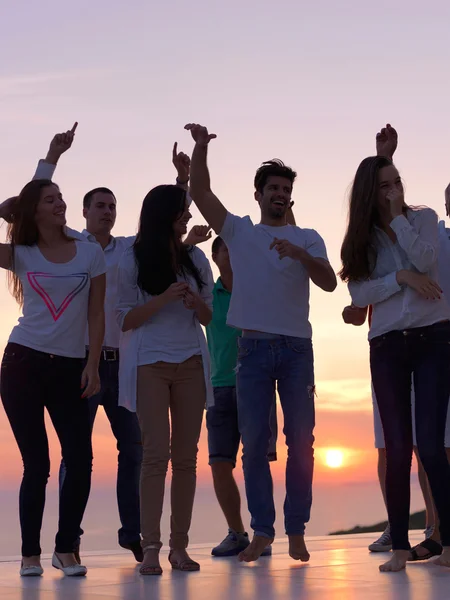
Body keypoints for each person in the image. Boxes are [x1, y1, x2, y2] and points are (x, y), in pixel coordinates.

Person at [32, 134, 198, 563]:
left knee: (137, 449)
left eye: (112, 206)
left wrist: (181, 178)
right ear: (84, 213)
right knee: (76, 453)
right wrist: (51, 159)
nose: (107, 211)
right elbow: (35, 215)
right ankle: (67, 543)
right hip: (82, 365)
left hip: (124, 364)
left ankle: (134, 535)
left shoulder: (128, 249)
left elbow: (163, 232)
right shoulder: (71, 245)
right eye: (99, 205)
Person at [184, 123, 337, 563]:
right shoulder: (240, 233)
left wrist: (303, 255)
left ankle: (297, 529)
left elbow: (328, 284)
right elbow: (202, 191)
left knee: (302, 440)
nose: (280, 194)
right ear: (259, 194)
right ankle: (263, 530)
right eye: (273, 187)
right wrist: (200, 149)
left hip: (294, 351)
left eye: (286, 188)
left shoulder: (308, 236)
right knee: (252, 443)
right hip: (251, 351)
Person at [340, 125, 450, 572]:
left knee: (430, 444)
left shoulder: (421, 219)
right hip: (386, 345)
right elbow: (359, 294)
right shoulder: (361, 239)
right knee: (398, 447)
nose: (393, 191)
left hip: (433, 339)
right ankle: (401, 549)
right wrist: (400, 279)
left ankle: (447, 544)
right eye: (384, 187)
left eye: (397, 183)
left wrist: (399, 216)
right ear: (369, 193)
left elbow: (428, 260)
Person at [0, 138, 106, 577]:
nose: (60, 203)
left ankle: (67, 549)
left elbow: (96, 313)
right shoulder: (20, 254)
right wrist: (46, 164)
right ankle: (29, 555)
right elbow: (17, 205)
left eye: (61, 197)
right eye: (51, 199)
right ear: (34, 211)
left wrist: (93, 364)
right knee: (37, 464)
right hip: (23, 363)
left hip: (70, 367)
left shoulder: (89, 251)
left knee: (80, 459)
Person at [116, 184, 214, 576]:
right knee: (155, 455)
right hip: (149, 365)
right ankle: (151, 548)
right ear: (163, 216)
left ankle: (180, 547)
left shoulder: (196, 259)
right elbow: (124, 319)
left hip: (190, 362)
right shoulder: (132, 259)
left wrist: (195, 302)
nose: (187, 218)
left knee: (186, 459)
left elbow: (209, 318)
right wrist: (163, 298)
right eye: (180, 212)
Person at [206, 235, 278, 557]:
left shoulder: (257, 291)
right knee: (219, 463)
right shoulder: (208, 295)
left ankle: (262, 531)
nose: (233, 254)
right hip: (218, 386)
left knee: (256, 462)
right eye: (227, 249)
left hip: (256, 385)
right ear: (215, 255)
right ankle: (237, 533)